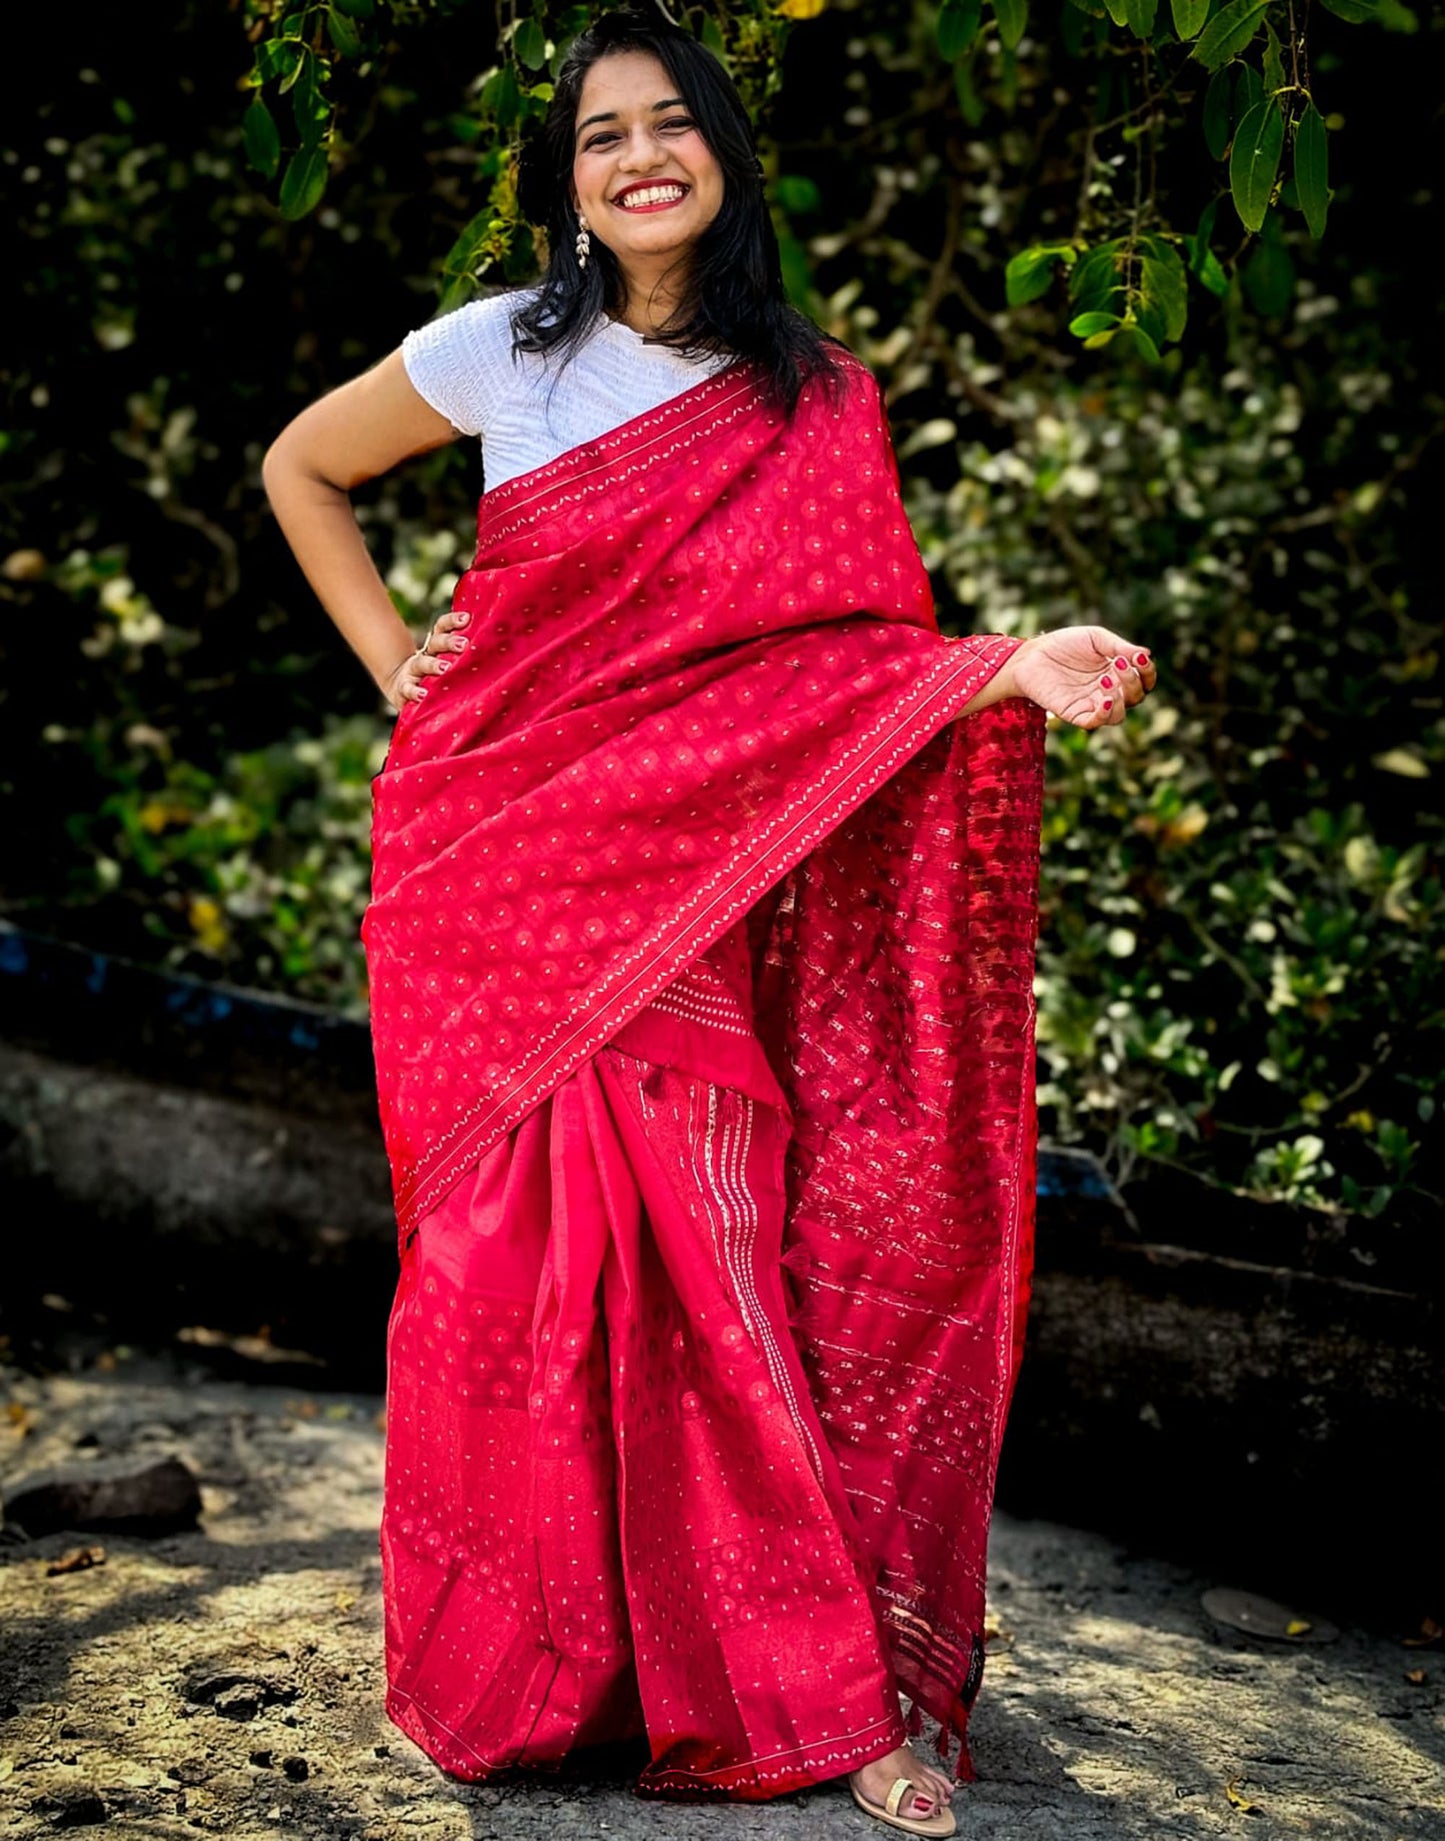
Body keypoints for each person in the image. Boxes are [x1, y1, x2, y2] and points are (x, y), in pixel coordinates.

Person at [262, 7, 1156, 1833]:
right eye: (602, 137)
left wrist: (996, 670)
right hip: (491, 866)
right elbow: (303, 467)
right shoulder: (502, 350)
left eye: (673, 124)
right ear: (566, 182)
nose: (640, 156)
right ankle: (525, 1674)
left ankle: (804, 1684)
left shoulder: (810, 395)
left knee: (718, 1269)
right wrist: (393, 670)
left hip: (692, 890)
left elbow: (843, 670)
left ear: (727, 157)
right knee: (498, 1275)